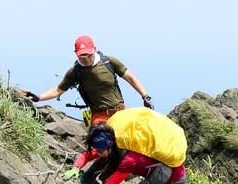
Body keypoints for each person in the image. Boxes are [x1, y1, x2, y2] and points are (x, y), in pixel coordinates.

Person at [20, 35, 152, 126]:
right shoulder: (76, 71)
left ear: (94, 49)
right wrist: (38, 97)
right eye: (82, 56)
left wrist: (145, 96)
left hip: (119, 111)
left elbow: (130, 78)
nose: (86, 59)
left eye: (88, 55)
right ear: (76, 53)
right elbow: (57, 90)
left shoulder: (109, 62)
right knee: (99, 147)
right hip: (99, 115)